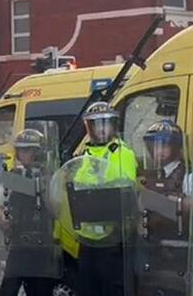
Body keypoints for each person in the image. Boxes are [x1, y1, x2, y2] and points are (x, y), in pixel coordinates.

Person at [74, 101, 137, 296]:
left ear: (113, 125)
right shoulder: (83, 154)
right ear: (89, 127)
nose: (101, 130)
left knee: (113, 289)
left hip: (113, 238)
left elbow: (125, 191)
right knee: (87, 289)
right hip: (87, 237)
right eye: (96, 125)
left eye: (105, 124)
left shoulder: (123, 153)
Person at [0, 128, 60, 296]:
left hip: (43, 245)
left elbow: (57, 209)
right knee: (8, 290)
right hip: (19, 243)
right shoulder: (14, 176)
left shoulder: (51, 176)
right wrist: (2, 217)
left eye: (27, 150)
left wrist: (41, 187)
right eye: (20, 150)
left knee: (40, 291)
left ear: (38, 152)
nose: (23, 154)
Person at [135, 119, 190, 296]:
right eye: (155, 146)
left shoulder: (190, 174)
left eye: (165, 146)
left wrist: (168, 202)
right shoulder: (149, 175)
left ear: (177, 147)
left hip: (177, 247)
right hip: (150, 246)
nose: (159, 151)